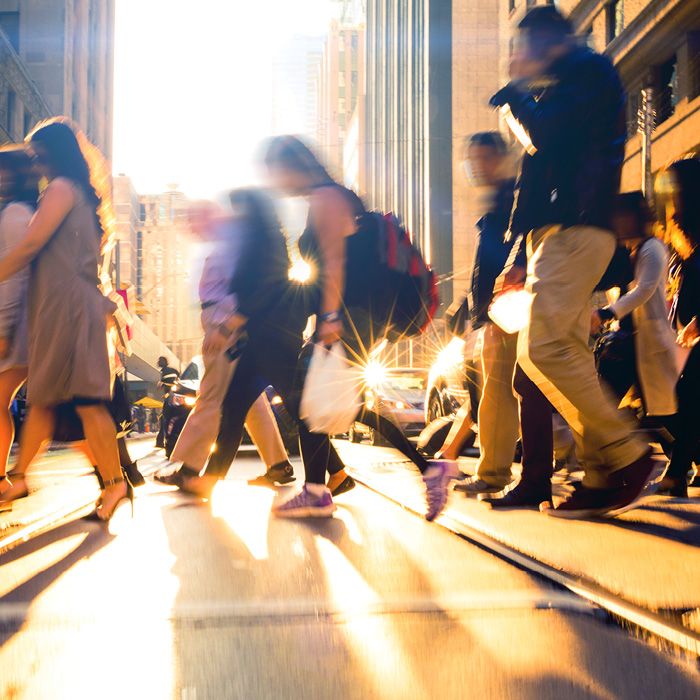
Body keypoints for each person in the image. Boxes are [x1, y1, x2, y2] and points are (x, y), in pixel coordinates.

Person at [491, 6, 660, 518]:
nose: (517, 57)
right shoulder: (564, 84)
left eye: (521, 46)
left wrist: (514, 95)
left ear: (544, 41)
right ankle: (603, 468)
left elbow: (549, 141)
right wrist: (520, 253)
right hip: (556, 235)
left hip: (577, 228)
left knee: (544, 351)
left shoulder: (587, 74)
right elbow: (538, 176)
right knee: (539, 357)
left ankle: (626, 454)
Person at [262, 136, 452, 520]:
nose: (275, 182)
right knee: (335, 404)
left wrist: (329, 320)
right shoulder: (333, 196)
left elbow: (333, 263)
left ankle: (318, 490)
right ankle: (428, 469)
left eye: (275, 172)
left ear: (292, 166)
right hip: (356, 319)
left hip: (347, 319)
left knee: (307, 396)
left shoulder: (326, 199)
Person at [0, 118, 129, 521]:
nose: (35, 166)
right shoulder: (83, 195)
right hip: (61, 306)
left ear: (53, 154)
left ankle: (115, 485)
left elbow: (32, 244)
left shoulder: (60, 190)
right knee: (42, 398)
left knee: (89, 403)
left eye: (39, 156)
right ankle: (18, 478)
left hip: (68, 308)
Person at [154, 199, 296, 490]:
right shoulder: (226, 241)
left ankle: (184, 466)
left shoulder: (233, 241)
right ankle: (278, 464)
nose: (190, 227)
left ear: (209, 215)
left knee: (210, 396)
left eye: (193, 218)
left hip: (223, 322)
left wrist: (223, 324)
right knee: (248, 400)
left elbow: (244, 288)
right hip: (221, 320)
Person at [592, 192, 680, 416]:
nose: (615, 224)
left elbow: (645, 289)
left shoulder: (652, 248)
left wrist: (607, 313)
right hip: (631, 343)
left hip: (645, 342)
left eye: (620, 217)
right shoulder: (631, 251)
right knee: (610, 403)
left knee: (661, 413)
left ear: (632, 218)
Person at [659, 158, 700, 498]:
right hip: (681, 338)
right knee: (673, 401)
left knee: (686, 398)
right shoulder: (677, 238)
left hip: (696, 333)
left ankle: (677, 471)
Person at [0, 148, 37, 504]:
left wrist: (3, 330)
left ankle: (6, 480)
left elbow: (13, 280)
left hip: (15, 327)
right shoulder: (25, 211)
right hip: (24, 324)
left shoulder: (13, 214)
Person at [156, 356, 179, 448]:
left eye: (159, 361)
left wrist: (161, 384)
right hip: (173, 397)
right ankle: (162, 441)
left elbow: (168, 384)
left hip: (171, 397)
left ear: (163, 362)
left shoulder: (166, 371)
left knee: (165, 418)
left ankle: (163, 441)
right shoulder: (167, 371)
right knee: (165, 418)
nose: (158, 362)